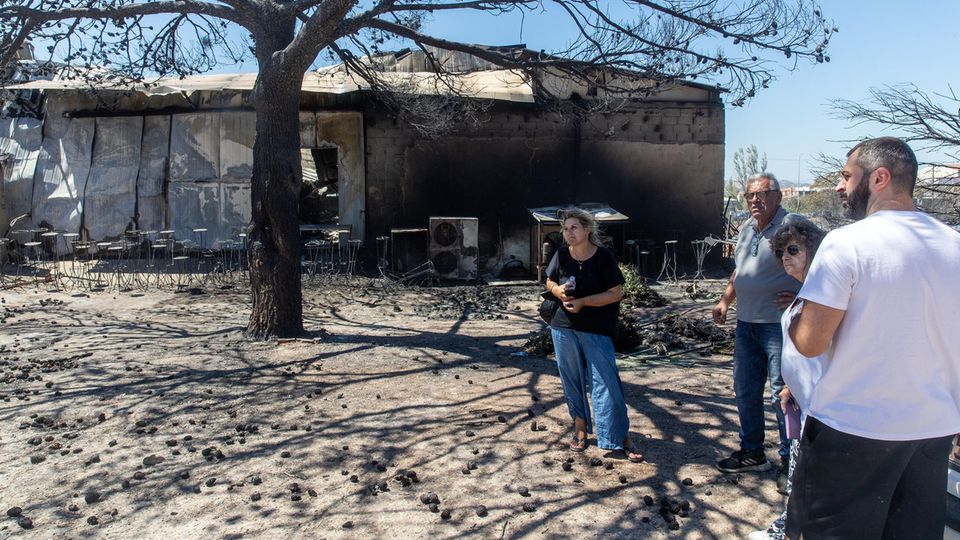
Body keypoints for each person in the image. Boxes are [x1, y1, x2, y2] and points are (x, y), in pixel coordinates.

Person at [786, 137, 960, 538]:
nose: (839, 186)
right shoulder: (953, 244)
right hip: (930, 431)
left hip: (852, 431)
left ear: (879, 177)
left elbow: (810, 341)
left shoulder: (848, 243)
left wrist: (797, 309)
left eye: (847, 176)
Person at [713, 173, 799, 486]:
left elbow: (820, 266)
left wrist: (802, 295)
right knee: (746, 391)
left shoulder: (792, 227)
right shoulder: (747, 228)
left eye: (761, 194)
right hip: (746, 324)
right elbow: (741, 270)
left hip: (779, 326)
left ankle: (790, 463)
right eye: (750, 195)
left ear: (778, 195)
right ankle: (752, 453)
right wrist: (725, 301)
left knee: (783, 396)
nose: (754, 200)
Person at [748, 217, 827, 540]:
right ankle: (789, 528)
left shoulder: (825, 291)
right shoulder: (807, 291)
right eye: (781, 252)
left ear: (815, 247)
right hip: (802, 400)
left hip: (825, 406)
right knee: (800, 470)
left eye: (793, 249)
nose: (786, 258)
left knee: (813, 476)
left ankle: (794, 530)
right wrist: (791, 385)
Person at [545, 207, 642, 462]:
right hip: (563, 326)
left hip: (597, 328)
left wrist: (584, 302)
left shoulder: (603, 257)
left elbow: (615, 292)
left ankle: (618, 435)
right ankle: (579, 428)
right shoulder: (562, 254)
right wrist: (558, 292)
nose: (569, 233)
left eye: (574, 228)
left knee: (606, 382)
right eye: (566, 229)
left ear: (587, 230)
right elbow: (549, 282)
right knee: (571, 379)